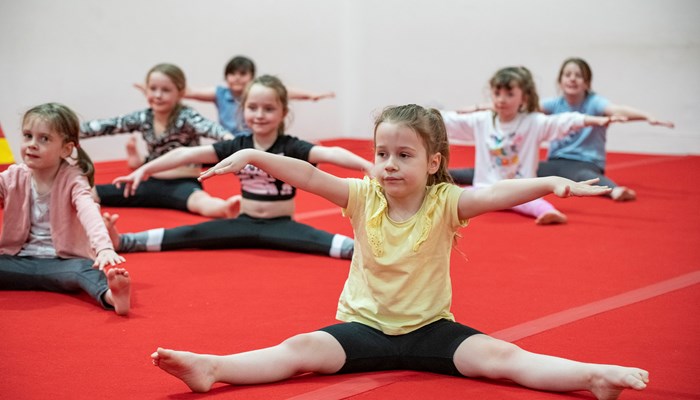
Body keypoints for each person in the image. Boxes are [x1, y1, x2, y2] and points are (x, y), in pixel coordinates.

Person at [150, 104, 648, 399]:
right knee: (300, 349)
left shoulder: (446, 202)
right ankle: (213, 368)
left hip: (430, 330)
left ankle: (593, 376)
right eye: (382, 154)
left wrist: (555, 182)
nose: (389, 165)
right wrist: (255, 155)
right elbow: (308, 174)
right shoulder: (361, 196)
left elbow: (499, 192)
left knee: (501, 356)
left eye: (404, 155)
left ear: (433, 163)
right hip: (362, 329)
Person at [107, 75, 372, 260]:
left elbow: (330, 152)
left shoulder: (291, 147)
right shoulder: (238, 145)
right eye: (252, 107)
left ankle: (376, 254)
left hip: (283, 225)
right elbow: (186, 153)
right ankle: (128, 241)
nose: (259, 114)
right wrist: (144, 170)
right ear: (243, 109)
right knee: (193, 233)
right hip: (243, 222)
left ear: (282, 112)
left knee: (328, 244)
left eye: (268, 109)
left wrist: (366, 165)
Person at [442, 66, 625, 224]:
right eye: (497, 94)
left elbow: (564, 121)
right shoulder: (481, 120)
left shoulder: (533, 122)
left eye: (509, 94)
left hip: (521, 191)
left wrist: (594, 120)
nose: (501, 99)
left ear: (524, 98)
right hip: (484, 189)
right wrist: (425, 114)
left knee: (536, 203)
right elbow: (451, 121)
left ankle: (550, 213)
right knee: (454, 196)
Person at [0, 103, 130, 316]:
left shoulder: (73, 179)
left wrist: (103, 247)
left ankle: (111, 296)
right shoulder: (13, 176)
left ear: (66, 149)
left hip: (63, 263)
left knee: (85, 271)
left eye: (44, 139)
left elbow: (89, 211)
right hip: (17, 260)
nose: (32, 144)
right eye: (27, 136)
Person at [80, 63, 240, 218]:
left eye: (165, 90)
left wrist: (230, 140)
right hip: (149, 182)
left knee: (200, 202)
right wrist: (72, 132)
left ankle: (225, 208)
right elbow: (109, 125)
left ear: (180, 92)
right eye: (153, 89)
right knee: (92, 193)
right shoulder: (144, 117)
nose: (158, 95)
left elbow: (213, 129)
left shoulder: (186, 117)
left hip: (182, 183)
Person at [537, 57, 675, 201]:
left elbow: (617, 110)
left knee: (582, 175)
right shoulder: (554, 104)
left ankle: (615, 190)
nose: (572, 79)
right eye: (567, 75)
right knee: (532, 169)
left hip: (585, 162)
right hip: (556, 161)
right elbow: (526, 109)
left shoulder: (595, 102)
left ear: (587, 82)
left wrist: (647, 116)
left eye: (578, 76)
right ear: (560, 81)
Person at [134, 55, 335, 137]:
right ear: (226, 76)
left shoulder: (258, 91)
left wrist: (311, 95)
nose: (237, 79)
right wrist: (156, 90)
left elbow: (287, 91)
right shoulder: (220, 93)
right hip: (229, 141)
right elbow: (190, 92)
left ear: (251, 76)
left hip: (258, 137)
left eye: (242, 74)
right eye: (232, 74)